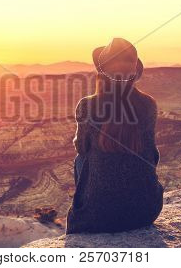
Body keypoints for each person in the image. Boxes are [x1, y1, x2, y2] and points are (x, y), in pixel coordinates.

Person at [66, 38, 164, 234]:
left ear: (101, 73)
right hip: (145, 211)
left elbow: (82, 147)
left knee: (80, 159)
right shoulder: (148, 104)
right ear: (135, 73)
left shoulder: (87, 105)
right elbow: (152, 154)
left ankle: (93, 201)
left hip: (97, 217)